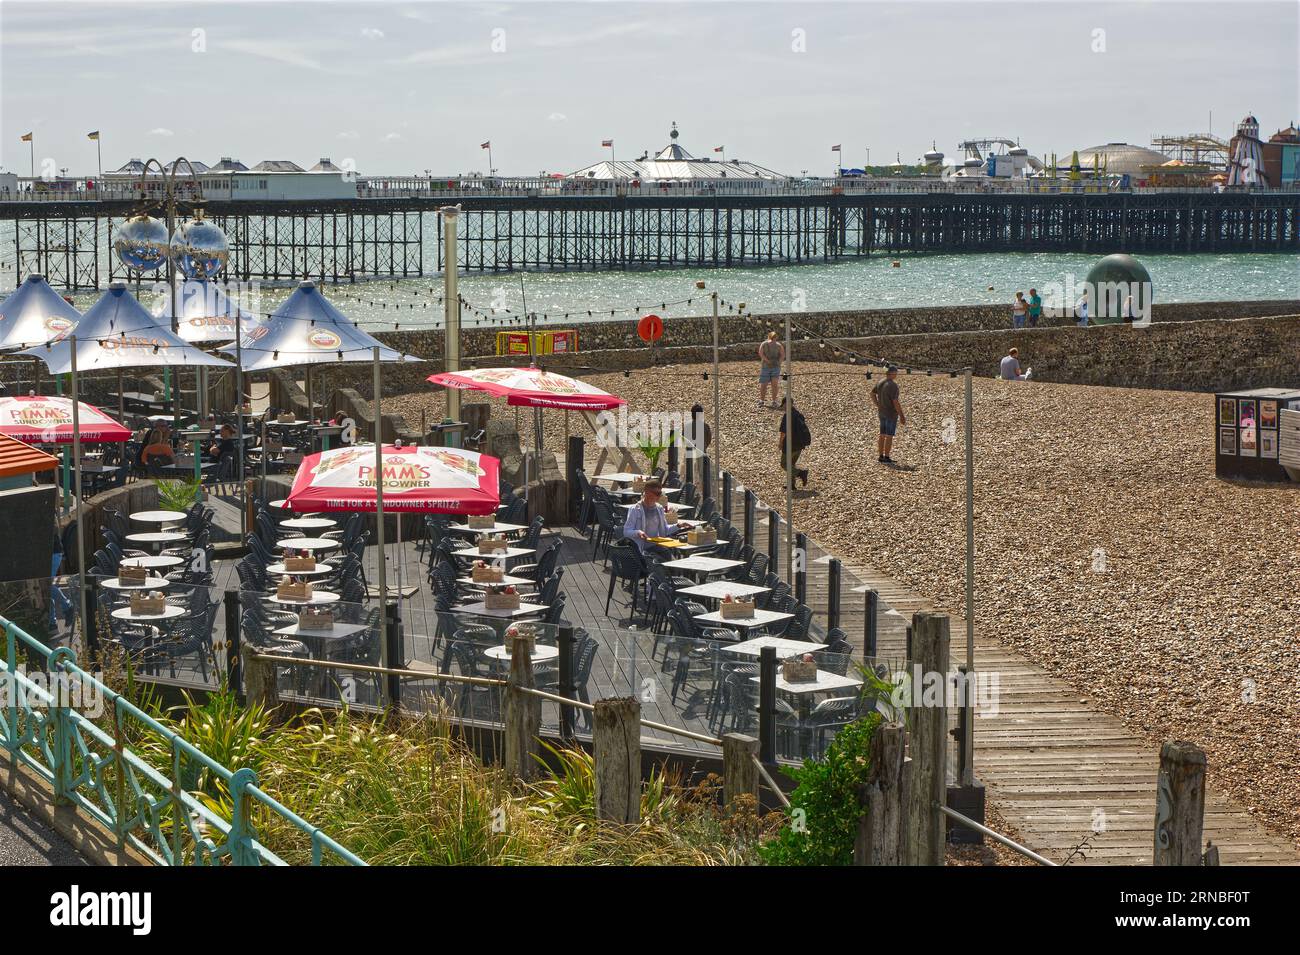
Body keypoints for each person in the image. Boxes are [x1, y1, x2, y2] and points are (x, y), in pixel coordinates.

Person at [622, 479, 679, 556]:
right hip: (642, 549)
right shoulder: (635, 509)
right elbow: (626, 532)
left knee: (671, 562)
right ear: (646, 493)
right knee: (663, 563)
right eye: (656, 493)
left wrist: (678, 526)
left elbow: (665, 530)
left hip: (657, 546)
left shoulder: (659, 508)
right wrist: (638, 533)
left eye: (660, 493)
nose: (658, 496)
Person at [870, 365, 904, 464]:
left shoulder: (880, 382)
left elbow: (872, 394)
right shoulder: (893, 385)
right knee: (889, 436)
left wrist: (877, 404)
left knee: (882, 435)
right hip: (891, 414)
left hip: (881, 412)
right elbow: (895, 401)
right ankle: (887, 457)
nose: (896, 375)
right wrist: (901, 415)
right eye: (896, 373)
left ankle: (880, 456)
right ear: (892, 373)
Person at [777, 396, 811, 487]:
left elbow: (783, 432)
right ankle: (791, 484)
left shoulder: (787, 416)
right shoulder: (799, 414)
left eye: (784, 405)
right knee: (791, 464)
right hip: (799, 444)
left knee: (784, 464)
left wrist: (780, 443)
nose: (783, 408)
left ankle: (801, 473)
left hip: (790, 445)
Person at [757, 331, 784, 408]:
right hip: (774, 366)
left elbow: (760, 353)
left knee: (764, 384)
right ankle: (773, 401)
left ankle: (763, 401)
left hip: (766, 366)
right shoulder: (778, 345)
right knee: (773, 385)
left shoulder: (764, 344)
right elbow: (782, 355)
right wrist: (778, 362)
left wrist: (767, 361)